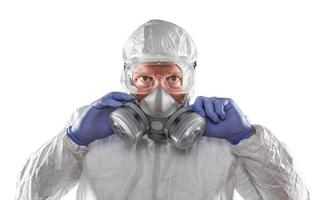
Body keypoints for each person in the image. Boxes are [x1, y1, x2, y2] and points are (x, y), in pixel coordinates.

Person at [16, 19, 310, 200]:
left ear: (189, 80)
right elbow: (29, 194)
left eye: (172, 78)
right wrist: (73, 141)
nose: (159, 92)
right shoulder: (93, 134)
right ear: (128, 78)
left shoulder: (219, 142)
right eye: (145, 78)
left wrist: (247, 139)